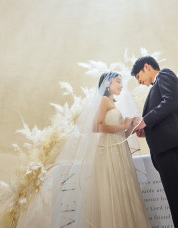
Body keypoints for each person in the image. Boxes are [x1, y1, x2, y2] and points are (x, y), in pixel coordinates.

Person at [16, 71, 150, 228]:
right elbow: (96, 126)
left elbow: (120, 134)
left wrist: (130, 127)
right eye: (118, 81)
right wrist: (124, 125)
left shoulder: (113, 104)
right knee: (109, 193)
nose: (121, 85)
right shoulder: (104, 101)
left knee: (121, 193)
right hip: (107, 153)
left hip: (119, 153)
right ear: (107, 83)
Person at [131, 56, 178, 228]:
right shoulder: (156, 86)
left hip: (172, 150)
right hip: (168, 152)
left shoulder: (164, 75)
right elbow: (166, 114)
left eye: (138, 77)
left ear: (146, 67)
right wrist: (146, 130)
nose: (139, 82)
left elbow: (170, 102)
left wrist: (144, 121)